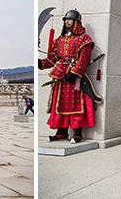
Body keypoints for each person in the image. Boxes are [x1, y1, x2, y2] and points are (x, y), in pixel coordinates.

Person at [39, 9, 100, 144]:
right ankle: (61, 132)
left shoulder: (83, 38)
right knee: (58, 104)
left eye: (70, 20)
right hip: (60, 76)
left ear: (76, 22)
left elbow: (84, 59)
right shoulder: (59, 40)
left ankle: (78, 133)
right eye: (66, 20)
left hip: (74, 76)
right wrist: (40, 63)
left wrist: (75, 73)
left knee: (76, 104)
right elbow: (52, 60)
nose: (67, 22)